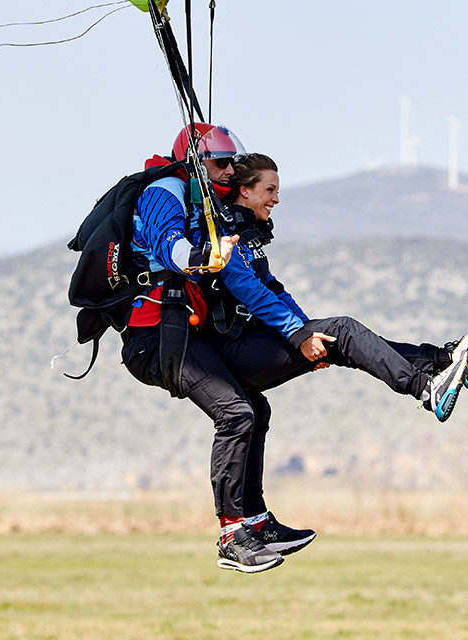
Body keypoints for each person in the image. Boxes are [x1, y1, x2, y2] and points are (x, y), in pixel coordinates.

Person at [200, 153, 468, 498]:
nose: (276, 198)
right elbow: (250, 293)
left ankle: (441, 359)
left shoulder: (248, 239)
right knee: (344, 329)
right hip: (231, 355)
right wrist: (298, 335)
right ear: (244, 191)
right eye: (270, 189)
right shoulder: (225, 238)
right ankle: (426, 389)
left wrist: (307, 331)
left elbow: (274, 290)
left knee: (339, 337)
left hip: (253, 345)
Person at [117, 125, 315, 574]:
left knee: (254, 409)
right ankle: (232, 534)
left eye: (232, 163)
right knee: (235, 413)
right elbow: (170, 246)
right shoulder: (165, 190)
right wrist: (204, 257)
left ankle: (257, 521)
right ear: (194, 163)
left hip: (186, 335)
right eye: (221, 163)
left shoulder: (200, 199)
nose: (229, 172)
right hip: (154, 340)